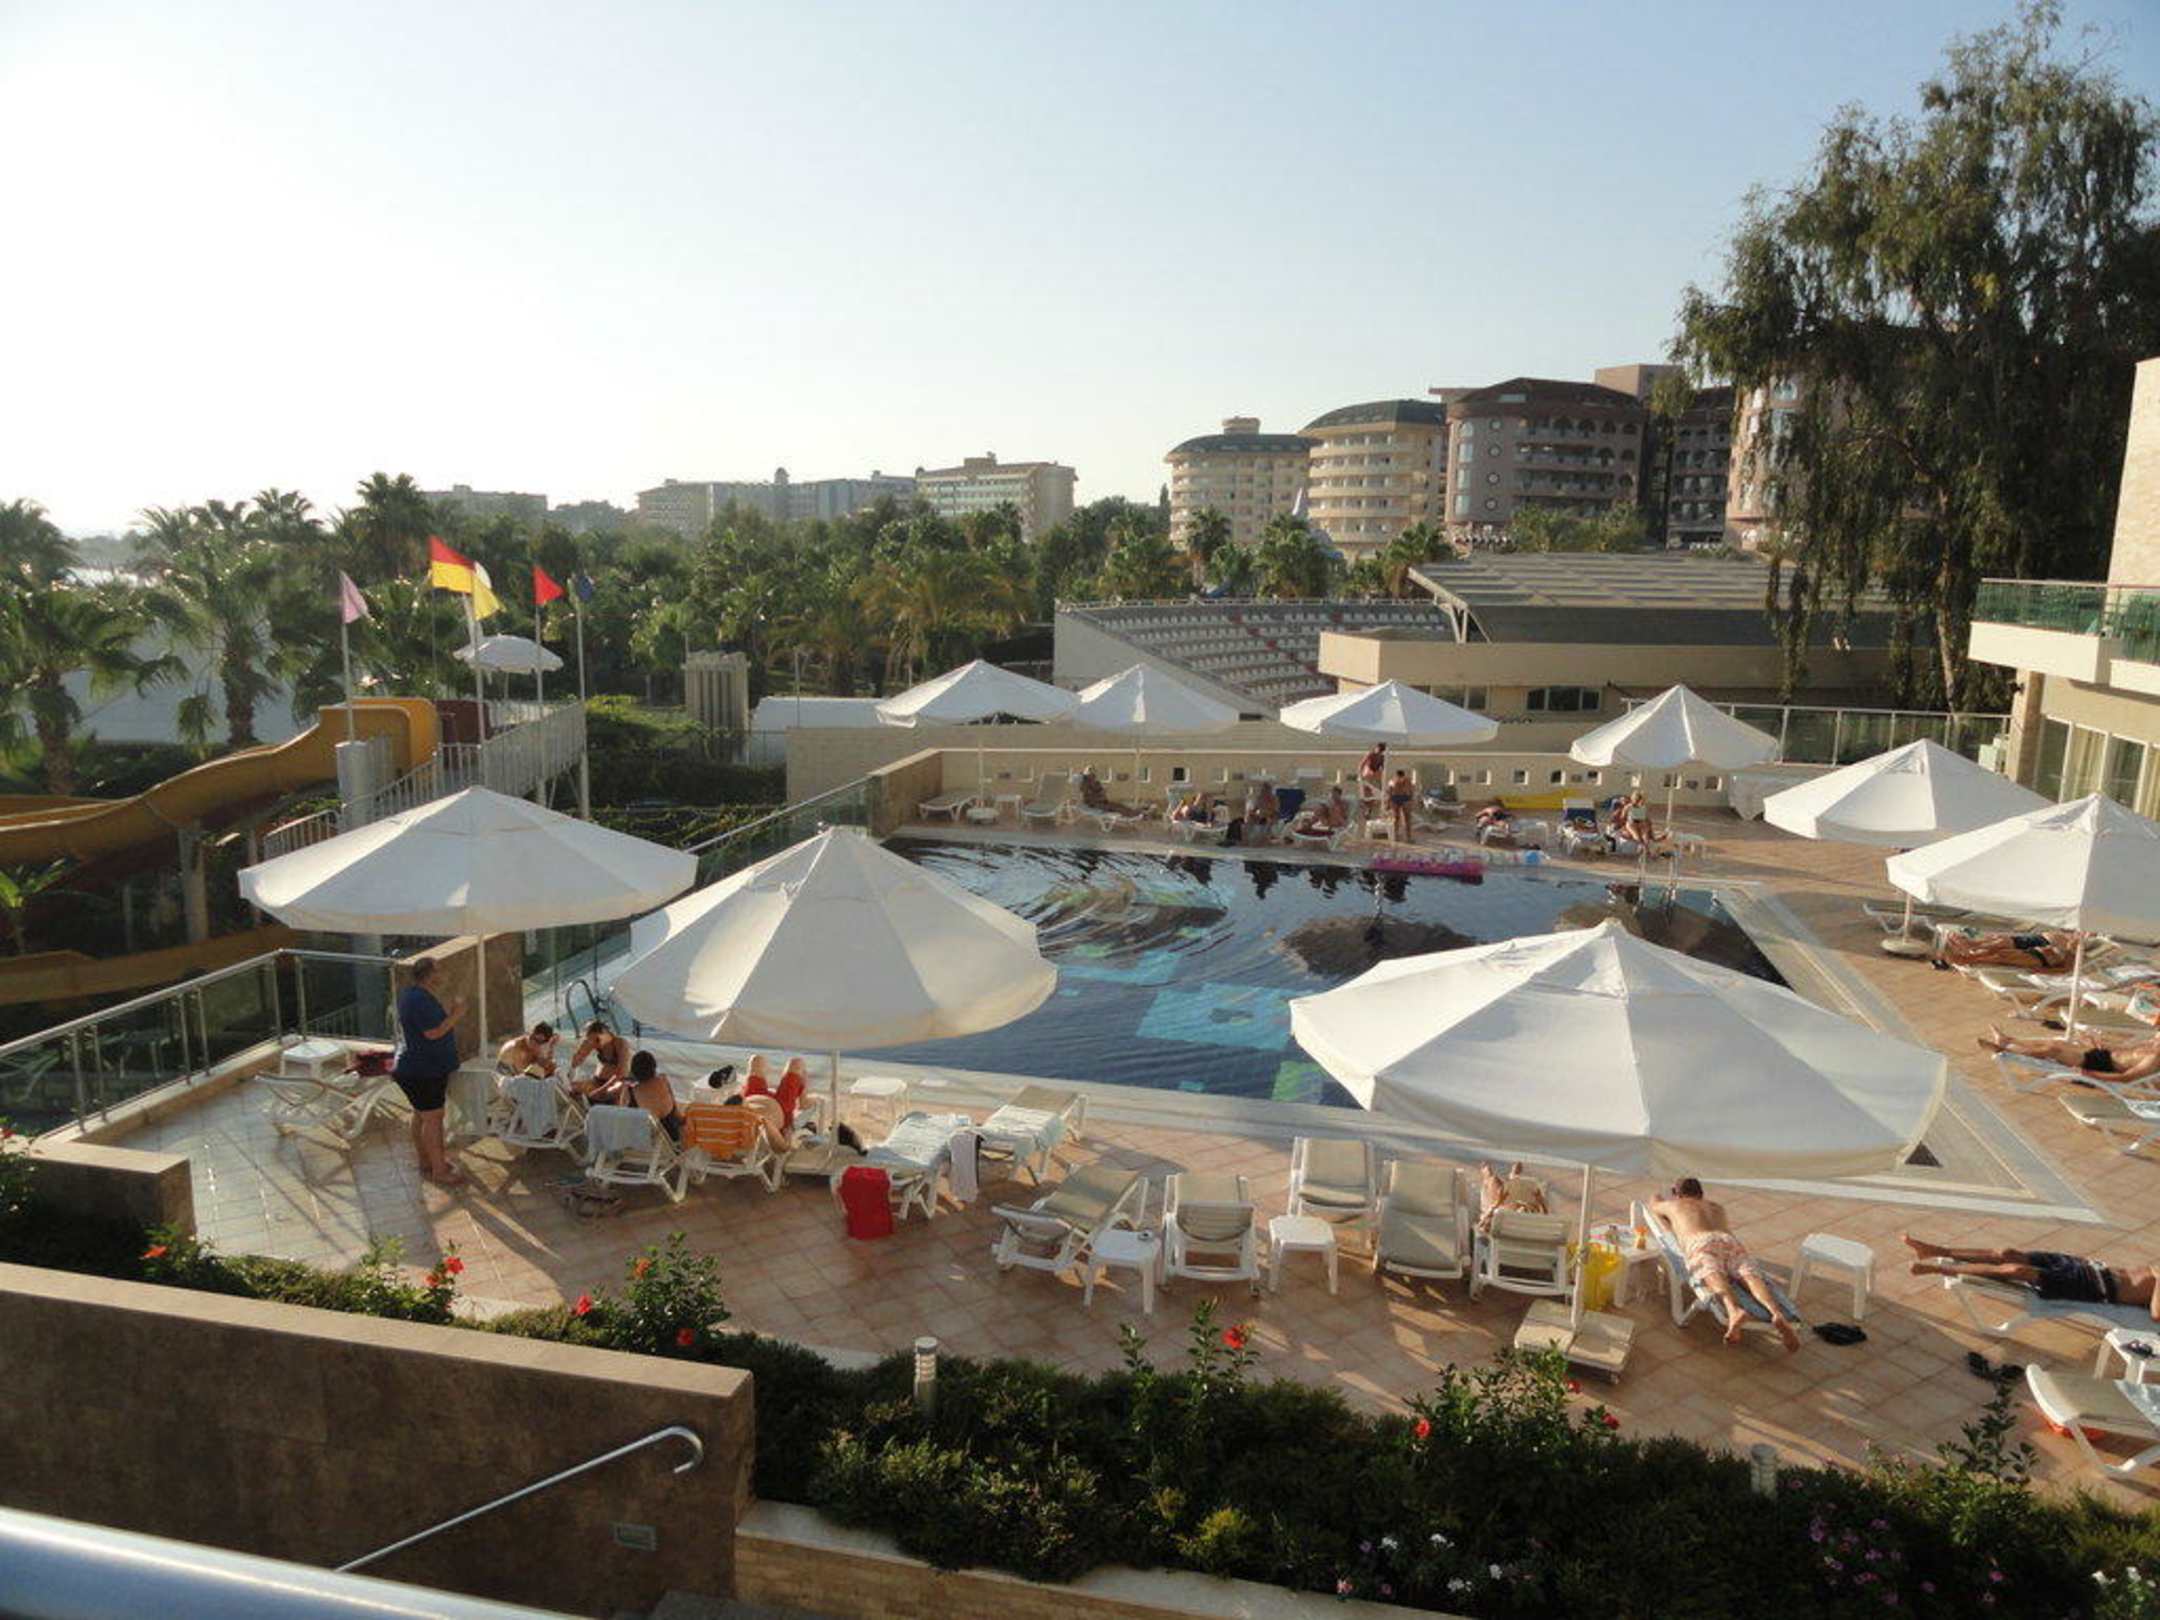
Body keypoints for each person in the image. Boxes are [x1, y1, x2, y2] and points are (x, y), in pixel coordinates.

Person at [1649, 1178, 1801, 1351]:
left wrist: (1664, 1197)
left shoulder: (1675, 1205)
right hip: (1728, 1241)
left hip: (1700, 1240)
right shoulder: (1717, 1208)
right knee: (1750, 1275)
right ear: (1701, 1194)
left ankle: (1733, 1309)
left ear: (1678, 1194)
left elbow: (1654, 1202)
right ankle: (1776, 1312)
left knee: (1711, 1272)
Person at [1902, 1233, 2160, 1316]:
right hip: (2087, 1267)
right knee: (2008, 1253)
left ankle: (1937, 1268)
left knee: (2017, 1271)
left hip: (2091, 1287)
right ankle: (1935, 1250)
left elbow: (2156, 1314)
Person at [392, 957, 467, 1187]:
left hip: (417, 1068)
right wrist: (457, 1014)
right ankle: (439, 1170)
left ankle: (426, 1161)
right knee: (433, 1119)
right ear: (430, 975)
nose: (442, 974)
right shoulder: (419, 1000)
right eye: (439, 970)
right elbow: (433, 1032)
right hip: (424, 1070)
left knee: (422, 1115)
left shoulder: (413, 995)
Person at [1976, 1024, 2160, 1082]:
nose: (2155, 1038)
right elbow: (2124, 1049)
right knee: (2056, 1043)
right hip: (2102, 1055)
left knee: (2053, 1050)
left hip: (2100, 1065)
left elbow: (2126, 1078)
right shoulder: (2152, 1044)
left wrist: (2088, 1074)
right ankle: (2009, 1040)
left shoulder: (2154, 1057)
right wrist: (2101, 1043)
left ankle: (2005, 1050)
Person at [1935, 928, 2082, 972]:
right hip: (2039, 942)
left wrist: (2041, 971)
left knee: (2002, 955)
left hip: (2042, 958)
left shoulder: (2077, 946)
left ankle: (1966, 958)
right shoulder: (2071, 931)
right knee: (2000, 941)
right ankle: (1971, 946)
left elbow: (2067, 968)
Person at [619, 1049, 684, 1143]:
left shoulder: (630, 1091)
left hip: (647, 1142)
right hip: (672, 1138)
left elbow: (622, 1116)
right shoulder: (663, 1080)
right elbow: (677, 1114)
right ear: (654, 1067)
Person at [569, 1019, 630, 1096]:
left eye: (597, 1040)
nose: (596, 1044)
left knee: (616, 1090)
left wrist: (600, 1090)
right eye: (592, 1040)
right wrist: (584, 1047)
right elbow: (575, 1063)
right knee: (572, 1087)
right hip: (598, 1081)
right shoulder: (596, 1043)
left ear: (605, 1032)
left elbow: (621, 1073)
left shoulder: (620, 1043)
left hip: (615, 1084)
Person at [1386, 768, 1416, 844]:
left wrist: (1411, 800)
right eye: (1398, 778)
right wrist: (1388, 804)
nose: (1400, 780)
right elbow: (1389, 792)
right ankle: (1397, 836)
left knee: (1406, 818)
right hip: (1397, 798)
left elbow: (1411, 791)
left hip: (1403, 798)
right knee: (1397, 818)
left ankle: (1407, 837)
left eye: (1400, 778)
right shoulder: (1393, 781)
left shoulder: (1407, 781)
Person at [1358, 742, 1388, 808]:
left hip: (1374, 776)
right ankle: (1367, 806)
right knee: (1367, 793)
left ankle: (1373, 805)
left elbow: (1382, 769)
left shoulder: (1382, 757)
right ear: (1376, 748)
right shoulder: (1370, 754)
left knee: (1378, 793)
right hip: (1367, 774)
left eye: (1381, 750)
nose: (1379, 752)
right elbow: (1361, 765)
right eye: (1379, 750)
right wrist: (1360, 775)